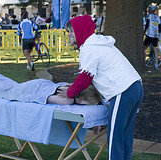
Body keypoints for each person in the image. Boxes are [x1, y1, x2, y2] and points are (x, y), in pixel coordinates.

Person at [58, 15, 143, 160]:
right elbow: (91, 81)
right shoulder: (98, 44)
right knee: (125, 136)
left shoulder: (89, 49)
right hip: (136, 88)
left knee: (115, 138)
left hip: (124, 92)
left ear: (80, 31)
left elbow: (84, 80)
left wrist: (70, 93)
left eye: (71, 31)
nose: (69, 34)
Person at [143, 5, 161, 70]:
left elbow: (147, 24)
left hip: (149, 34)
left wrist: (144, 32)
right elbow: (159, 27)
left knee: (144, 48)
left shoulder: (149, 16)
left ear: (150, 10)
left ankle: (143, 62)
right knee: (155, 50)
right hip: (156, 35)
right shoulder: (157, 17)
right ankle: (156, 64)